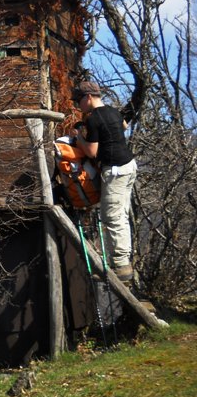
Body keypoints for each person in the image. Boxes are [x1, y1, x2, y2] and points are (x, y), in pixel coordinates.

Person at [72, 81, 137, 285]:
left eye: (78, 100)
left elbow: (91, 151)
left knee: (112, 217)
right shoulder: (113, 112)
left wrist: (78, 138)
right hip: (129, 166)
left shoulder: (94, 118)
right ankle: (123, 263)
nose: (77, 105)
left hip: (116, 170)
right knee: (121, 215)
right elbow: (123, 126)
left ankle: (121, 268)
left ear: (89, 97)